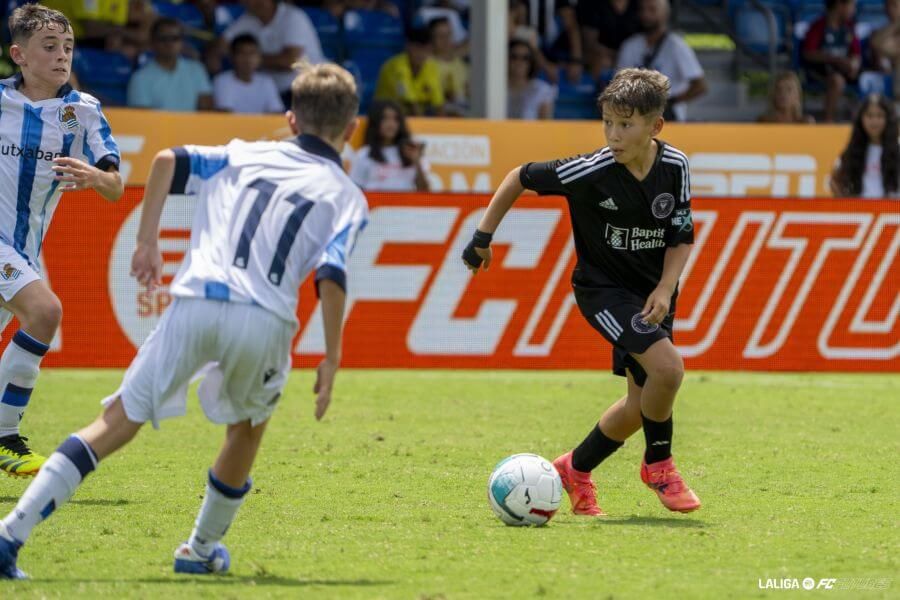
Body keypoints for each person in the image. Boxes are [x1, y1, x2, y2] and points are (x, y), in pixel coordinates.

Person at [0, 61, 367, 579]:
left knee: (116, 423)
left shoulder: (242, 154)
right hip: (264, 320)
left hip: (194, 301)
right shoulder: (348, 197)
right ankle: (198, 550)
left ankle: (10, 532)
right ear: (352, 129)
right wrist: (331, 356)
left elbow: (168, 159)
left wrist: (147, 240)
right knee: (246, 429)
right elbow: (331, 275)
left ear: (290, 120)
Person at [462, 68, 701, 517]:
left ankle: (574, 469)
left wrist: (666, 289)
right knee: (668, 370)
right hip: (603, 291)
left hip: (653, 294)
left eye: (625, 124)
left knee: (639, 404)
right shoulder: (591, 170)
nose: (613, 134)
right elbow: (519, 176)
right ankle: (659, 465)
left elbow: (681, 234)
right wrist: (481, 237)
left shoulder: (675, 166)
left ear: (656, 126)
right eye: (607, 122)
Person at [0, 5, 123, 477]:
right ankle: (6, 435)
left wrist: (94, 176)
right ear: (20, 55)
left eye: (67, 47)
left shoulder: (82, 111)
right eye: (49, 47)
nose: (61, 56)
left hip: (22, 250)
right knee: (46, 311)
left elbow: (114, 188)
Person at [616, 0, 706, 122]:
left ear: (665, 14)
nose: (646, 15)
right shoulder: (630, 45)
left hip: (669, 117)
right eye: (642, 9)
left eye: (652, 10)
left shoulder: (676, 45)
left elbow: (700, 85)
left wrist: (671, 102)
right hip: (635, 116)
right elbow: (618, 83)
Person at [223, 0, 324, 108]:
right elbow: (220, 46)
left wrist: (250, 59)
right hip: (275, 93)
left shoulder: (293, 17)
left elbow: (291, 62)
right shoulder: (248, 19)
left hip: (309, 92)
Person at [126, 17, 214, 111]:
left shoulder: (197, 69)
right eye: (163, 38)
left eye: (175, 38)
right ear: (152, 42)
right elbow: (142, 120)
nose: (169, 43)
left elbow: (206, 110)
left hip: (192, 125)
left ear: (182, 42)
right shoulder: (140, 78)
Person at [350, 100, 431, 191]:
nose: (391, 124)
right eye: (385, 118)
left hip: (405, 204)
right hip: (375, 204)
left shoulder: (411, 150)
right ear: (376, 122)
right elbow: (355, 190)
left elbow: (425, 192)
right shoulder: (364, 154)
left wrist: (416, 162)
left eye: (395, 119)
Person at [801, 0, 861, 123]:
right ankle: (829, 122)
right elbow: (808, 53)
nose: (854, 10)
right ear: (839, 5)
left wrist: (854, 65)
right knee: (836, 81)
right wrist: (836, 60)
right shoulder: (818, 27)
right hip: (820, 72)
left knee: (868, 78)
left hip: (845, 71)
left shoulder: (849, 27)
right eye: (851, 5)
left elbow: (856, 54)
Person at [830, 94, 899, 198]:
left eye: (880, 116)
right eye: (869, 116)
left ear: (888, 119)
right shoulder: (852, 150)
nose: (874, 121)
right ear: (861, 119)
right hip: (861, 211)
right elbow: (834, 181)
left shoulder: (897, 149)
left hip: (891, 211)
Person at [375, 26, 445, 116]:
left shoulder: (430, 67)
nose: (421, 54)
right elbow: (411, 105)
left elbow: (439, 104)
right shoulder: (397, 66)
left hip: (409, 118)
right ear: (408, 46)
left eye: (425, 49)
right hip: (383, 116)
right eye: (417, 48)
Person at [213, 34, 284, 114]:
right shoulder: (222, 80)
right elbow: (225, 115)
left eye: (252, 53)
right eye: (242, 53)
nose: (247, 58)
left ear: (259, 57)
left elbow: (276, 113)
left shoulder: (266, 81)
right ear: (232, 57)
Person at [580, 0, 641, 76]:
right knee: (600, 60)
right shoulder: (593, 4)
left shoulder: (640, 4)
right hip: (603, 56)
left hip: (632, 57)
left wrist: (623, 57)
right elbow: (590, 43)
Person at [507, 39, 556, 120]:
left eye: (525, 58)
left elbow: (546, 126)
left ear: (531, 62)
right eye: (514, 57)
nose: (519, 62)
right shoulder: (495, 90)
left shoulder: (542, 90)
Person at [429, 16, 468, 114]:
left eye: (448, 35)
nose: (446, 40)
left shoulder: (461, 63)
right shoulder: (426, 64)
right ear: (431, 39)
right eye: (441, 36)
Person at [869, 0, 900, 100]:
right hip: (887, 72)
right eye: (888, 5)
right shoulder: (877, 32)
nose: (890, 9)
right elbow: (876, 44)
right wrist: (896, 24)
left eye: (894, 5)